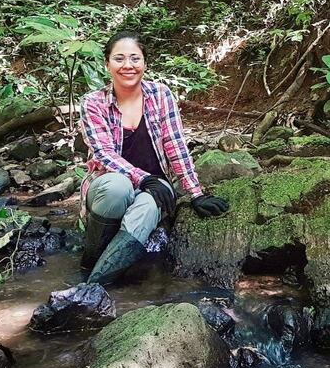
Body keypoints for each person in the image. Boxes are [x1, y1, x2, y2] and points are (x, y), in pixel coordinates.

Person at [78, 31, 229, 285]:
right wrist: (143, 178)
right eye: (119, 59)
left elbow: (175, 143)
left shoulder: (160, 95)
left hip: (156, 187)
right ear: (107, 64)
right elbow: (104, 153)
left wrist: (196, 193)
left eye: (135, 58)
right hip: (109, 186)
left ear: (145, 64)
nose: (128, 65)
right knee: (118, 186)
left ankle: (94, 284)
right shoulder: (93, 103)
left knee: (148, 207)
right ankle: (88, 261)